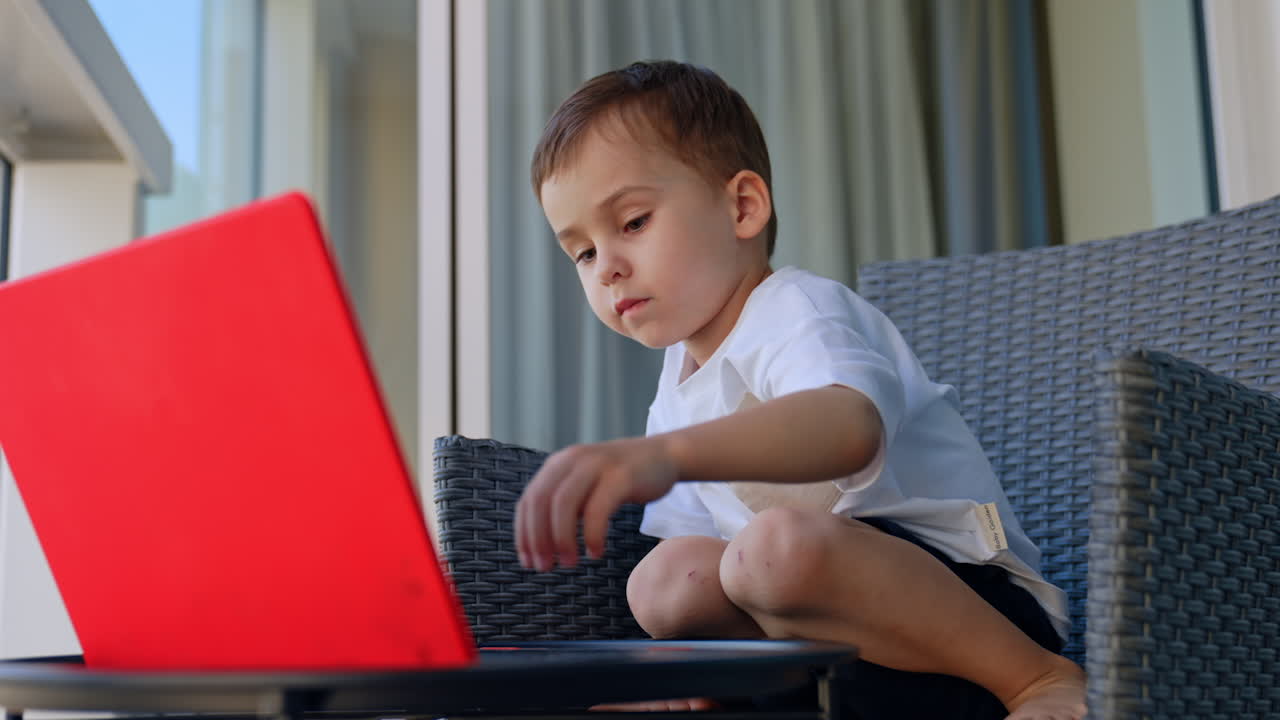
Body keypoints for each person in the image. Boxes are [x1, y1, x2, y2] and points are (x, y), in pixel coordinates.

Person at [512, 60, 1086, 720]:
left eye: (634, 221)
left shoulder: (797, 310)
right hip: (845, 656)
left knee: (776, 549)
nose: (607, 267)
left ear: (743, 207)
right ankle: (737, 695)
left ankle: (1039, 681)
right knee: (663, 582)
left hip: (974, 615)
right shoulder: (676, 384)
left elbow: (846, 428)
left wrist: (667, 456)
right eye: (582, 252)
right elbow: (694, 563)